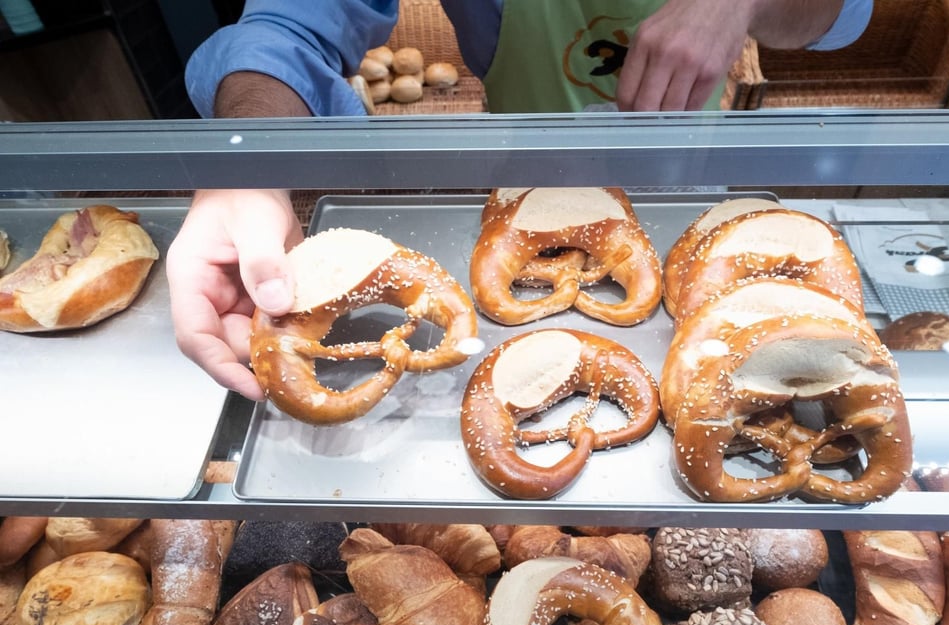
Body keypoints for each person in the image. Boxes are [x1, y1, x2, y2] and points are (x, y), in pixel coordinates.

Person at [167, 0, 874, 400]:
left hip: (688, 201)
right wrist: (248, 164)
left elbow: (845, 14)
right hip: (522, 193)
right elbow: (286, 29)